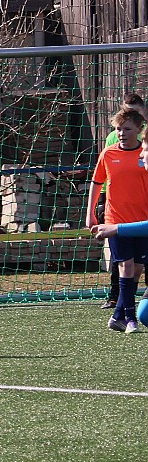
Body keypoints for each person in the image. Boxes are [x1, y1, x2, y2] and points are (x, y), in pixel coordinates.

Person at [85, 109, 148, 334]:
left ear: (139, 130)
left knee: (137, 269)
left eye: (127, 129)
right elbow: (96, 182)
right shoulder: (109, 154)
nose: (121, 133)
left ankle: (117, 315)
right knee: (126, 266)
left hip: (141, 222)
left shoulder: (144, 153)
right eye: (118, 129)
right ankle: (130, 320)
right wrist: (90, 213)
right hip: (115, 221)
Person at [100, 93, 146, 309]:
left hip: (142, 212)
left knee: (137, 265)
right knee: (123, 263)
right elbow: (104, 174)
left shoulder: (143, 139)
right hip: (119, 213)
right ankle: (117, 302)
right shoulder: (112, 141)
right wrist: (101, 202)